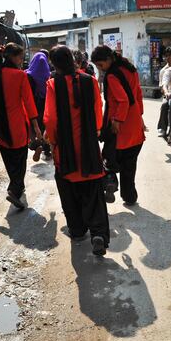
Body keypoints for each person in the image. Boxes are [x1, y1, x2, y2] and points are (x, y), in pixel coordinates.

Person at [44, 45, 109, 256]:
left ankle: (78, 230)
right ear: (72, 59)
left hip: (65, 152)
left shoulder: (53, 85)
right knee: (93, 191)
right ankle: (98, 233)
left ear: (54, 64)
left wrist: (52, 141)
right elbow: (98, 113)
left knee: (69, 191)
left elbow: (51, 119)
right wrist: (95, 131)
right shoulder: (89, 81)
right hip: (89, 149)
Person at [0, 43, 41, 209]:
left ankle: (16, 187)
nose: (22, 60)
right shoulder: (20, 75)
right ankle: (14, 190)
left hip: (0, 128)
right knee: (20, 161)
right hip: (18, 126)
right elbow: (28, 102)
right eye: (20, 57)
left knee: (9, 160)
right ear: (12, 57)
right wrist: (36, 126)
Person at [90, 45, 145, 206]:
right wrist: (139, 116)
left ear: (108, 59)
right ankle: (130, 196)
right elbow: (138, 94)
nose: (100, 69)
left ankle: (110, 182)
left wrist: (117, 120)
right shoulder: (130, 68)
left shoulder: (112, 75)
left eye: (100, 65)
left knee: (108, 158)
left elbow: (123, 100)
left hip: (120, 127)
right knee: (129, 164)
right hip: (134, 125)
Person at [27, 51, 52, 161]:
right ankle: (46, 149)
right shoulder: (48, 74)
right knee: (44, 126)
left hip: (32, 105)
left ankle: (35, 145)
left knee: (34, 127)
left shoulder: (27, 75)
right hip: (45, 104)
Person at [157, 46, 171, 138]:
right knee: (164, 105)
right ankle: (163, 128)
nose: (167, 58)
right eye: (166, 56)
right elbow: (162, 86)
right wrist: (166, 92)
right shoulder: (163, 71)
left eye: (170, 55)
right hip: (169, 95)